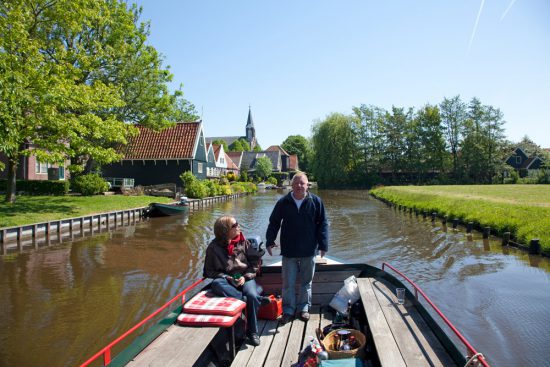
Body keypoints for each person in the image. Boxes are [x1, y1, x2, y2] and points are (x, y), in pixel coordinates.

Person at [265, 172, 329, 324]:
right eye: (296, 183)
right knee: (288, 283)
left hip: (309, 250)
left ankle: (304, 308)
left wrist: (323, 244)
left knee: (307, 282)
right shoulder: (283, 202)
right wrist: (269, 241)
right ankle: (288, 310)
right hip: (289, 251)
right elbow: (274, 222)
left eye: (302, 183)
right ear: (291, 185)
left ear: (308, 185)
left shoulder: (316, 202)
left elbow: (323, 224)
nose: (299, 186)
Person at [203, 216, 270, 346]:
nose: (239, 226)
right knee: (216, 284)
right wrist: (227, 277)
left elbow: (255, 265)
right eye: (235, 225)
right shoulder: (213, 248)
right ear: (225, 230)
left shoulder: (244, 243)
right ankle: (253, 300)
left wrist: (245, 277)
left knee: (251, 294)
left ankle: (253, 332)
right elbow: (209, 272)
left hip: (245, 277)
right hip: (227, 281)